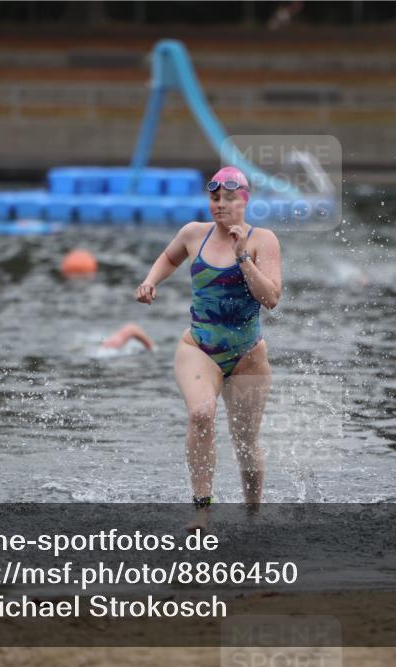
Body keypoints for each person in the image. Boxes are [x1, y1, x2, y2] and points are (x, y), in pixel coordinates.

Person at [135, 167, 282, 531]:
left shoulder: (264, 241)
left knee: (246, 441)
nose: (221, 205)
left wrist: (242, 255)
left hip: (248, 357)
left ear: (244, 201)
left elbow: (271, 299)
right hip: (199, 348)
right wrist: (151, 281)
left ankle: (253, 515)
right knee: (201, 414)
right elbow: (169, 258)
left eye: (229, 198)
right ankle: (202, 511)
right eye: (215, 198)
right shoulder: (193, 233)